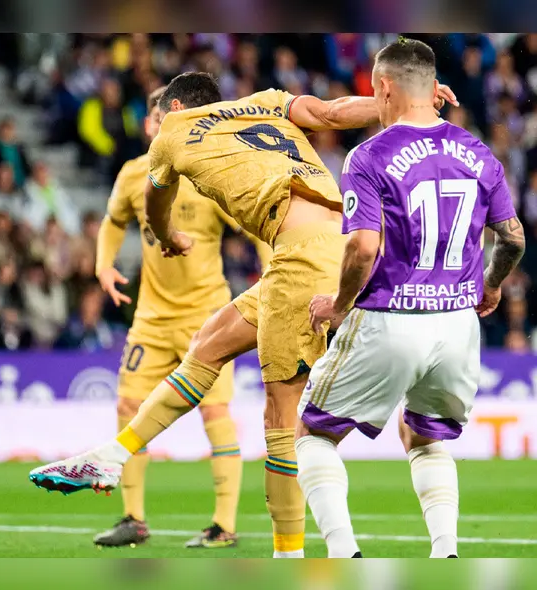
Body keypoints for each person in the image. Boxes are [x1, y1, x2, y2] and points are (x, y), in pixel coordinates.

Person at [29, 69, 458, 559]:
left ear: (172, 108)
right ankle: (115, 453)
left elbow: (154, 203)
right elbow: (332, 112)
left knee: (282, 415)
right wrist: (403, 105)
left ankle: (289, 555)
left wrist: (168, 238)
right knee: (209, 344)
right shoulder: (265, 101)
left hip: (301, 261)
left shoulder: (172, 132)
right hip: (340, 239)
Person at [297, 39, 524, 559]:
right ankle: (445, 551)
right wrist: (490, 286)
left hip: (391, 318)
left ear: (383, 87)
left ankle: (342, 554)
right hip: (458, 325)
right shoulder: (479, 152)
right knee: (425, 438)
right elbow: (512, 239)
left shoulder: (369, 155)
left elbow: (363, 246)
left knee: (312, 433)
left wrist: (338, 303)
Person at [90, 86, 272, 550]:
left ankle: (224, 524)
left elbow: (258, 226)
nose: (156, 126)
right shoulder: (134, 175)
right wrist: (104, 264)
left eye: (161, 117)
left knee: (214, 411)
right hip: (150, 316)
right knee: (127, 407)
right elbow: (112, 222)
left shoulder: (213, 174)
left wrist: (274, 274)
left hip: (207, 314)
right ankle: (133, 518)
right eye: (152, 119)